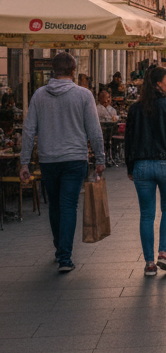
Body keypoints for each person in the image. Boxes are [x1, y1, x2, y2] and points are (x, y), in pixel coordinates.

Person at [19, 52, 105, 273]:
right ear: (74, 71)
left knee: (55, 205)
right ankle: (65, 257)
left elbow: (29, 130)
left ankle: (60, 247)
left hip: (48, 159)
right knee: (68, 206)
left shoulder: (39, 95)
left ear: (52, 70)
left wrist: (25, 162)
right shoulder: (84, 95)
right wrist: (100, 157)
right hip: (75, 158)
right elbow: (94, 130)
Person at [124, 66, 166, 276]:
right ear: (158, 83)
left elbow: (129, 140)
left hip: (141, 165)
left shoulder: (135, 109)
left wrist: (130, 166)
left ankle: (149, 263)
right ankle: (163, 253)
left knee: (146, 215)